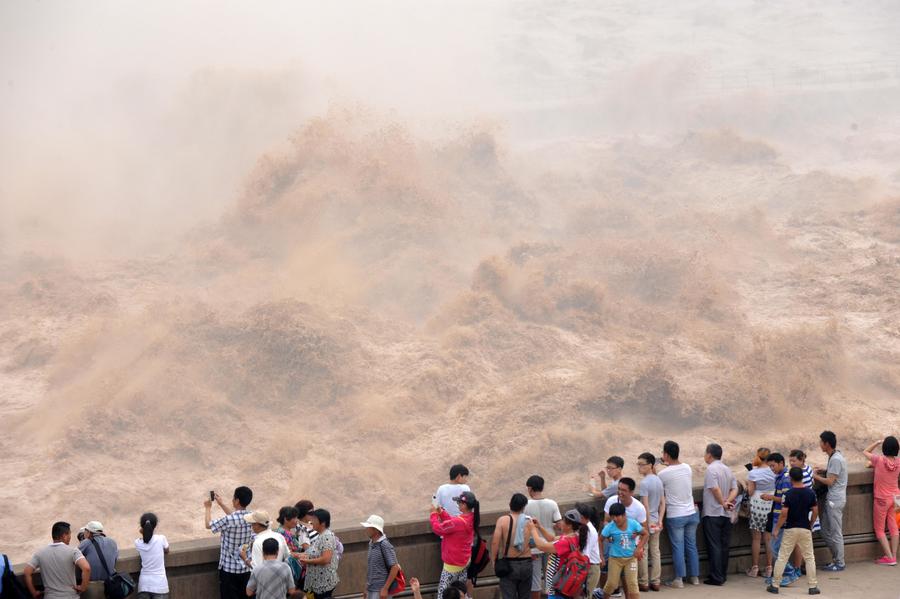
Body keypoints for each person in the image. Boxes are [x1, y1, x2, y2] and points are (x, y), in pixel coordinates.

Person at [766, 467, 821, 595]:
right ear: (802, 477)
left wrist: (777, 528)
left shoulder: (788, 494)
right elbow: (815, 511)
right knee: (809, 557)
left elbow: (784, 514)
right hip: (805, 528)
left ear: (790, 478)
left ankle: (775, 585)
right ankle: (813, 586)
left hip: (790, 528)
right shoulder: (810, 493)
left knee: (782, 557)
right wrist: (811, 524)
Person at [657, 440, 699, 588]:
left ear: (666, 455)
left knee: (678, 547)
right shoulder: (687, 468)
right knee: (692, 546)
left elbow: (658, 487)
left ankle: (679, 580)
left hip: (676, 515)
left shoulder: (662, 474)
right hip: (692, 513)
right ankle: (694, 578)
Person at [525, 509, 588, 599]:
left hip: (558, 585)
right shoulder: (574, 536)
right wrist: (539, 527)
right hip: (564, 582)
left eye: (563, 521)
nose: (561, 522)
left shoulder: (565, 542)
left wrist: (532, 530)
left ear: (569, 525)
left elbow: (541, 546)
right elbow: (552, 539)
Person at [206, 486, 254, 599]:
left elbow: (208, 525)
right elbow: (235, 517)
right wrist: (221, 504)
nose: (232, 500)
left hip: (229, 570)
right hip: (246, 568)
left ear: (237, 500)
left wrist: (207, 507)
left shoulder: (229, 520)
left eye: (233, 498)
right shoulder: (252, 517)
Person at [700, 443, 738, 586]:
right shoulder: (727, 469)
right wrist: (727, 501)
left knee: (714, 545)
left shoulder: (711, 469)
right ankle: (722, 574)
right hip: (726, 514)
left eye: (705, 453)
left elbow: (714, 489)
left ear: (709, 454)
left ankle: (716, 577)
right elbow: (735, 489)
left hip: (712, 512)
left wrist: (722, 502)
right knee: (723, 545)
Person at [23, 521, 91, 599]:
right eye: (69, 534)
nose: (70, 537)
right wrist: (83, 587)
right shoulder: (73, 551)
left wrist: (33, 592)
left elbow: (27, 572)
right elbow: (86, 568)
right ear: (64, 536)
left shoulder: (40, 553)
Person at [430, 491, 478, 599]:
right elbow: (452, 523)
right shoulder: (471, 517)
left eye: (459, 502)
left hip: (452, 564)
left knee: (443, 594)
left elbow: (438, 528)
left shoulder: (458, 522)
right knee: (460, 593)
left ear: (464, 505)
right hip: (464, 561)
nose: (458, 504)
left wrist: (433, 514)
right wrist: (441, 512)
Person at [812, 431, 848, 572]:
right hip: (834, 499)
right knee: (826, 530)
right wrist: (825, 470)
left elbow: (830, 481)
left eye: (821, 442)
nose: (820, 444)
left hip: (835, 500)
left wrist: (815, 476)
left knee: (835, 532)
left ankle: (840, 562)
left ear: (826, 444)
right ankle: (836, 559)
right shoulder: (835, 456)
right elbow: (834, 474)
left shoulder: (835, 459)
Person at [523, 475, 562, 599]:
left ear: (530, 489)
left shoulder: (526, 505)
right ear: (542, 487)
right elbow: (559, 525)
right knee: (551, 578)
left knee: (535, 582)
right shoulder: (552, 504)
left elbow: (523, 527)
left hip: (534, 547)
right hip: (551, 547)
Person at [863, 436, 900, 565]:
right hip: (896, 498)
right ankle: (894, 555)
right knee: (893, 526)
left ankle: (889, 557)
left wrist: (877, 442)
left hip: (882, 499)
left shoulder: (879, 460)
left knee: (879, 529)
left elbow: (865, 452)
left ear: (884, 448)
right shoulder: (899, 462)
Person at [491, 494, 534, 599]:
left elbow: (495, 543)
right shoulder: (529, 521)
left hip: (509, 564)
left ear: (510, 504)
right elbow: (533, 542)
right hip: (527, 562)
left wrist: (493, 560)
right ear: (524, 507)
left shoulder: (502, 520)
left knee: (508, 596)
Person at [600, 504, 647, 599]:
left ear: (624, 515)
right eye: (613, 517)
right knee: (611, 584)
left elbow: (646, 534)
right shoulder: (610, 527)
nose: (615, 519)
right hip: (615, 559)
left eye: (617, 516)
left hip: (631, 559)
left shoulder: (633, 524)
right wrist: (601, 556)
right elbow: (600, 539)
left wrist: (639, 548)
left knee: (633, 584)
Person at [746, 449, 777, 578]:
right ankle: (769, 567)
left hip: (757, 505)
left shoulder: (753, 473)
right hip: (770, 504)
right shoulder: (774, 472)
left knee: (756, 539)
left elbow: (750, 492)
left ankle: (755, 568)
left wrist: (748, 483)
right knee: (768, 538)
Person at [787, 449, 819, 573]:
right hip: (809, 509)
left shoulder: (800, 475)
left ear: (801, 460)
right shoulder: (809, 469)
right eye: (790, 461)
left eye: (794, 461)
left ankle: (797, 567)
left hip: (802, 511)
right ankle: (803, 566)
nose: (791, 463)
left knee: (799, 543)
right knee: (805, 543)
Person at [637, 453, 664, 592]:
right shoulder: (658, 480)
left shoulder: (644, 483)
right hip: (656, 521)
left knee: (643, 550)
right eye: (638, 464)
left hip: (647, 521)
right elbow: (662, 503)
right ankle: (656, 582)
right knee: (656, 551)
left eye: (642, 464)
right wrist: (660, 520)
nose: (639, 467)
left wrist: (645, 524)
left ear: (650, 465)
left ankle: (644, 582)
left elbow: (645, 506)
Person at [299, 508, 340, 599]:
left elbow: (326, 559)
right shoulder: (321, 535)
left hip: (324, 583)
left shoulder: (327, 536)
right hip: (318, 583)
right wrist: (297, 555)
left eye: (314, 519)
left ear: (323, 523)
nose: (311, 521)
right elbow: (314, 553)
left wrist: (307, 561)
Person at [361, 515, 400, 599]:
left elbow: (395, 567)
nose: (366, 529)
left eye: (368, 527)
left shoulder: (384, 544)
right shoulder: (372, 544)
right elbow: (372, 569)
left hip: (380, 591)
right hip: (372, 589)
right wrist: (366, 588)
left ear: (375, 530)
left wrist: (385, 588)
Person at [77, 520, 119, 599]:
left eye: (85, 531)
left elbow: (75, 556)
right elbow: (115, 559)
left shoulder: (86, 542)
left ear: (89, 532)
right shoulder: (113, 542)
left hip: (92, 586)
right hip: (110, 585)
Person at [134, 512, 170, 599]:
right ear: (155, 526)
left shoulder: (138, 543)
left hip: (144, 585)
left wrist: (143, 532)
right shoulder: (161, 539)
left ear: (142, 527)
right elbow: (167, 550)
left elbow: (145, 540)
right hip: (160, 585)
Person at [575, 503, 603, 596]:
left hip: (591, 568)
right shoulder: (585, 528)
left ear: (582, 517)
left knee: (587, 596)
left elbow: (586, 554)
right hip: (588, 566)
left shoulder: (590, 531)